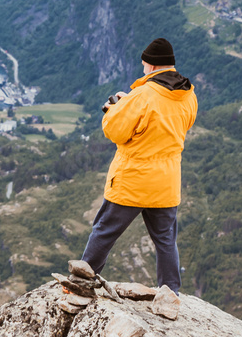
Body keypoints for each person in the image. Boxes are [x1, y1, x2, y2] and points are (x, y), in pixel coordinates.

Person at [81, 37, 197, 304]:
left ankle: (82, 283)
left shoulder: (143, 95)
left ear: (150, 64)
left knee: (105, 230)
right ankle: (170, 294)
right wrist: (130, 104)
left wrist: (115, 109)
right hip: (167, 182)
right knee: (166, 240)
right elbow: (182, 124)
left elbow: (116, 132)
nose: (143, 67)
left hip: (133, 180)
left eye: (144, 63)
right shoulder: (189, 94)